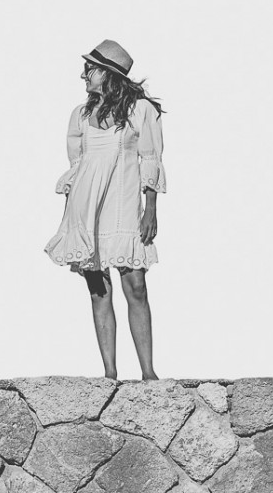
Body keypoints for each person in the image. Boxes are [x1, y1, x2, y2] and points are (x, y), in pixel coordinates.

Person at [45, 40, 166, 380]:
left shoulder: (140, 110)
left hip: (124, 205)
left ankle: (148, 373)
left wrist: (151, 208)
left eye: (90, 69)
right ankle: (110, 373)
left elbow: (150, 158)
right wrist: (71, 220)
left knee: (135, 285)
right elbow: (77, 167)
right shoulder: (80, 116)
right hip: (87, 208)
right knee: (98, 289)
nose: (84, 75)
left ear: (109, 74)